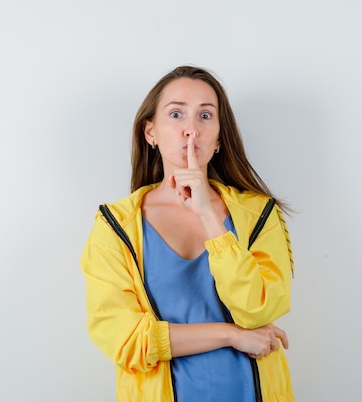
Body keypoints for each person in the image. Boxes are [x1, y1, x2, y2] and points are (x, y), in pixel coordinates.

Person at [80, 65, 295, 402]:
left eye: (205, 116)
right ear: (151, 132)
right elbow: (124, 339)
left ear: (221, 136)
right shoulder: (115, 225)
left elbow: (259, 310)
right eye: (176, 114)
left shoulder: (259, 214)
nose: (191, 130)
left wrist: (209, 218)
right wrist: (231, 335)